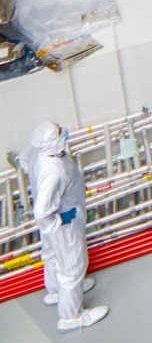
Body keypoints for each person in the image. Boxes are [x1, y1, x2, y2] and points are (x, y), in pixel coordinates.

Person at [23, 121, 106, 332]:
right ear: (51, 142)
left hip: (54, 224)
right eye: (59, 132)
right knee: (73, 266)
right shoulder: (54, 172)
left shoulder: (36, 152)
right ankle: (71, 317)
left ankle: (55, 291)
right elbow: (42, 212)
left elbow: (23, 161)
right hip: (63, 222)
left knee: (52, 254)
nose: (63, 131)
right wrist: (60, 220)